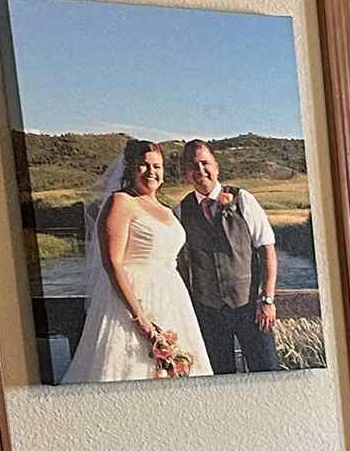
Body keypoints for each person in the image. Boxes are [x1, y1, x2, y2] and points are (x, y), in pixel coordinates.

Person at [63, 139, 211, 383]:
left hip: (172, 298)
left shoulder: (166, 210)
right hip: (133, 300)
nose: (152, 172)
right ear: (131, 169)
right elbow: (112, 262)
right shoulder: (120, 202)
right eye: (144, 165)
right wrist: (140, 317)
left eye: (157, 166)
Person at [170, 140, 281, 374]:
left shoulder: (243, 200)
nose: (200, 170)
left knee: (268, 374)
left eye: (205, 163)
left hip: (250, 308)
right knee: (220, 381)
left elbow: (267, 250)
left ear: (216, 167)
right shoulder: (181, 211)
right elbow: (177, 264)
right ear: (186, 174)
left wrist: (267, 299)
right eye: (193, 165)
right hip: (209, 314)